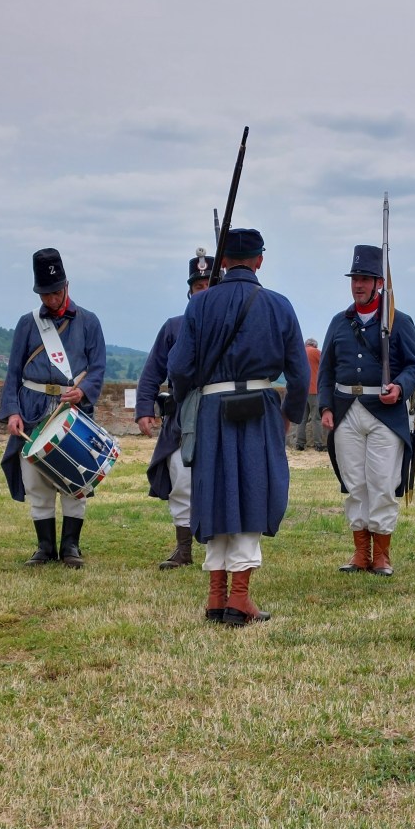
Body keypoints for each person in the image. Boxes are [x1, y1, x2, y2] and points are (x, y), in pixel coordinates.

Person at [167, 228, 310, 626]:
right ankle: (239, 598)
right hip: (260, 409)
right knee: (253, 494)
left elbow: (178, 367)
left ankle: (217, 597)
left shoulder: (200, 304)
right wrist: (288, 414)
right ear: (260, 260)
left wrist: (191, 402)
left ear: (224, 261)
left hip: (211, 408)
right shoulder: (279, 305)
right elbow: (299, 375)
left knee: (212, 494)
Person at [0, 247, 106, 568]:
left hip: (72, 411)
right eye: (45, 294)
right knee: (35, 480)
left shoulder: (89, 321)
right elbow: (13, 372)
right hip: (32, 408)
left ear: (66, 286)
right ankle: (45, 547)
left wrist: (83, 391)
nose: (51, 299)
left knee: (74, 477)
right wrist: (12, 411)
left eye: (56, 292)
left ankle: (71, 546)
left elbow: (98, 368)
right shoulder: (27, 324)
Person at [317, 244, 415, 576]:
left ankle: (382, 555)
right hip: (346, 410)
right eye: (355, 279)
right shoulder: (339, 322)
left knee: (382, 483)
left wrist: (400, 387)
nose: (358, 285)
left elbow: (413, 366)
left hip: (384, 413)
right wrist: (325, 406)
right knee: (354, 483)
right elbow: (326, 371)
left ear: (379, 283)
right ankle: (361, 553)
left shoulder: (399, 322)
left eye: (364, 279)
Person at [135, 249, 211, 569]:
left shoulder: (231, 327)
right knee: (180, 476)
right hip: (181, 415)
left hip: (218, 411)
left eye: (209, 286)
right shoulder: (173, 327)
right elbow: (153, 371)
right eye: (198, 287)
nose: (203, 292)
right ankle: (183, 549)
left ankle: (221, 549)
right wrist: (144, 408)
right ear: (190, 291)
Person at [295, 338, 325, 451]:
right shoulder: (316, 352)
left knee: (302, 419)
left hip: (301, 391)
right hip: (314, 390)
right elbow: (326, 366)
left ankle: (300, 444)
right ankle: (318, 444)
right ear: (314, 345)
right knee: (316, 419)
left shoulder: (299, 353)